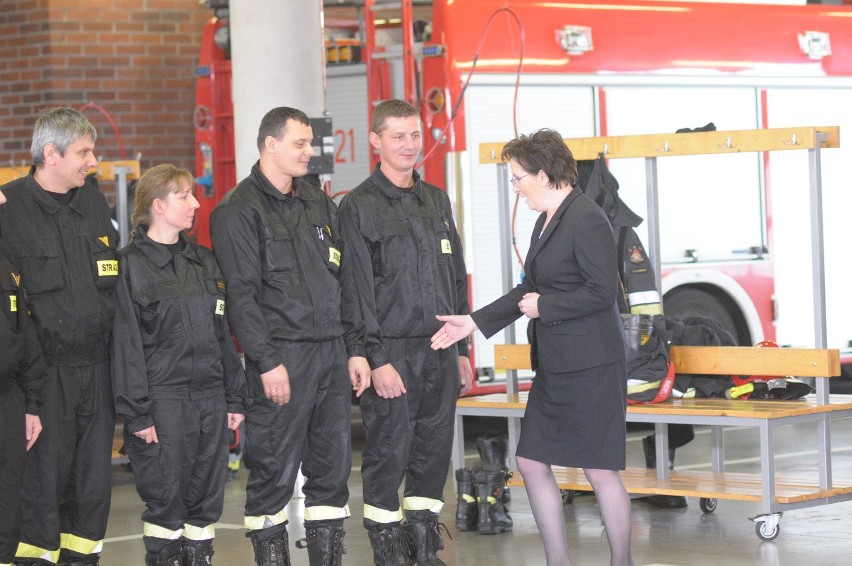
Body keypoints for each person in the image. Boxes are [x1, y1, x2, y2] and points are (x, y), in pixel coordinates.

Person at [431, 129, 635, 566]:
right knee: (530, 461)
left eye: (518, 178)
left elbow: (603, 293)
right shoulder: (546, 219)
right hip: (557, 366)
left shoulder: (588, 218)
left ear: (543, 175)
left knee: (599, 469)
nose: (516, 188)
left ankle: (623, 561)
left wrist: (548, 305)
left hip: (592, 365)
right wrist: (474, 321)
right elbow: (529, 289)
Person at [210, 106, 370, 566]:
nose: (309, 152)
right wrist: (265, 361)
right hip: (282, 360)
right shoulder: (237, 211)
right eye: (299, 143)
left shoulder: (318, 203)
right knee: (273, 474)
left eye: (311, 143)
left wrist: (355, 350)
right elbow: (241, 297)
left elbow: (345, 283)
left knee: (332, 473)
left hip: (331, 357)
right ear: (270, 145)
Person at [338, 99, 472, 566]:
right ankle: (389, 554)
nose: (410, 145)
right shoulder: (357, 207)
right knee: (387, 458)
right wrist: (375, 359)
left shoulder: (436, 200)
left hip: (441, 351)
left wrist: (463, 348)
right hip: (391, 354)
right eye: (398, 136)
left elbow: (456, 277)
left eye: (415, 135)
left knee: (433, 456)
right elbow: (355, 292)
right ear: (376, 141)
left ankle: (422, 549)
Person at [111, 164, 247, 566]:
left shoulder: (204, 262)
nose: (195, 203)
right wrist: (137, 414)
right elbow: (126, 347)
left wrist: (234, 398)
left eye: (193, 194)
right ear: (157, 205)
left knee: (205, 507)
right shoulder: (129, 267)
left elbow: (222, 335)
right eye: (184, 196)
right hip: (162, 405)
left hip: (210, 400)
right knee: (166, 507)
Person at [0, 107, 118, 565]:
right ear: (50, 153)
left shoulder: (93, 201)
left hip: (97, 374)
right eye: (84, 152)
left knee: (91, 494)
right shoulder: (9, 209)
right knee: (40, 496)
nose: (94, 162)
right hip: (43, 381)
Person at [0, 230, 45, 566]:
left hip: (8, 397)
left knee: (7, 503)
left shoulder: (6, 258)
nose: (2, 199)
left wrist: (31, 402)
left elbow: (24, 333)